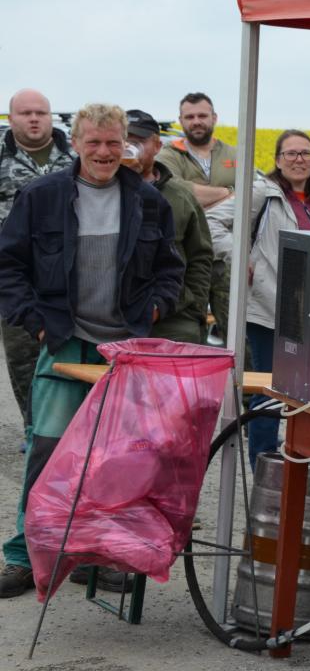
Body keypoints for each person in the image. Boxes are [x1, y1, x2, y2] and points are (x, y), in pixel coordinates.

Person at [0, 103, 183, 598]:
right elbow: (8, 265)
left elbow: (171, 269)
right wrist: (36, 323)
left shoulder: (148, 201)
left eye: (112, 143)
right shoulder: (41, 196)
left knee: (114, 461)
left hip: (123, 352)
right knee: (48, 450)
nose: (104, 152)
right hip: (65, 343)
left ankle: (93, 557)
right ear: (76, 143)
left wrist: (154, 310)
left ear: (125, 145)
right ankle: (25, 555)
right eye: (94, 142)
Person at [207, 130, 310, 468]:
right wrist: (240, 257)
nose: (299, 160)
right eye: (291, 153)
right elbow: (213, 222)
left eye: (305, 153)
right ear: (278, 160)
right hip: (270, 307)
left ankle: (300, 466)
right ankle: (262, 468)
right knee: (269, 390)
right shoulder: (262, 193)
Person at [0, 89, 75, 439]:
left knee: (69, 357)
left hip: (68, 276)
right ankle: (35, 432)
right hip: (16, 276)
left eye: (41, 113)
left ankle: (70, 431)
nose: (34, 119)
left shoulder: (75, 156)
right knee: (23, 358)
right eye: (25, 113)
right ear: (10, 118)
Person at [125, 109, 214, 344]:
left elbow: (201, 256)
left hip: (173, 319)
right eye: (123, 141)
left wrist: (195, 310)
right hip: (112, 320)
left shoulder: (179, 195)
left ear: (157, 145)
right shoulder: (101, 191)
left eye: (138, 141)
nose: (130, 147)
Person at [155, 92, 237, 335]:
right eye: (189, 117)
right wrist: (230, 192)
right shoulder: (168, 155)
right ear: (181, 120)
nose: (196, 121)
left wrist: (199, 197)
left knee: (235, 333)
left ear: (214, 118)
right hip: (187, 259)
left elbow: (253, 196)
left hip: (227, 259)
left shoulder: (235, 155)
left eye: (202, 115)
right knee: (190, 330)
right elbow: (178, 194)